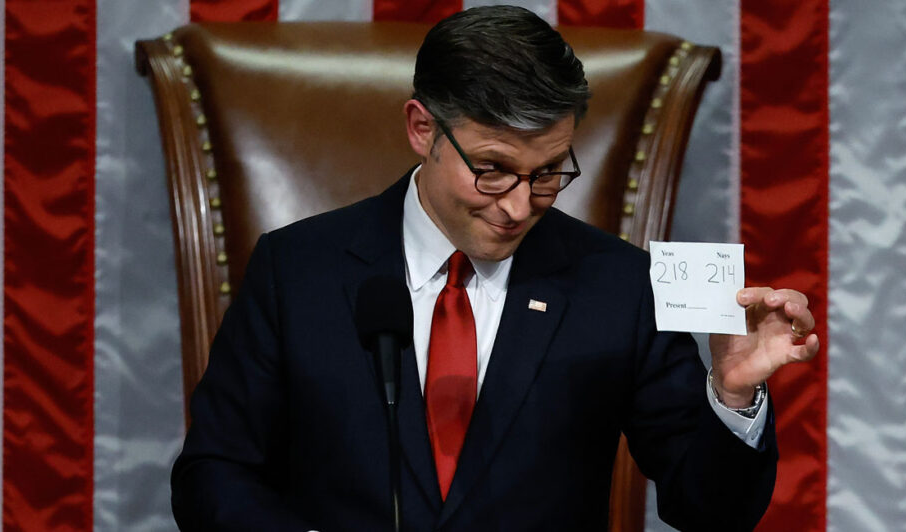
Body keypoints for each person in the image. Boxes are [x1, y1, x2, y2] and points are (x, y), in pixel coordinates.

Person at [171, 6, 819, 531]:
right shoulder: (297, 269)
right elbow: (214, 474)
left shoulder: (617, 287)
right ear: (422, 129)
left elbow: (709, 511)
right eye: (493, 168)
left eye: (548, 174)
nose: (517, 206)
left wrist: (732, 396)